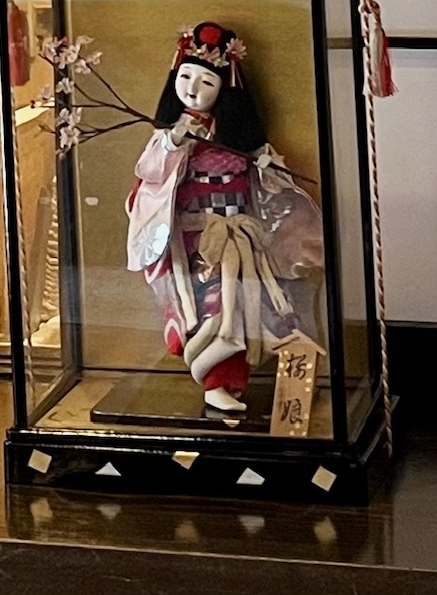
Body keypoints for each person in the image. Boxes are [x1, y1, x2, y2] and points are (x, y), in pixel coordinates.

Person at [125, 21, 323, 413]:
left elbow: (270, 184)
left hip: (241, 235)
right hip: (197, 241)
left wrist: (267, 167)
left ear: (224, 89)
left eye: (206, 82)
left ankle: (263, 376)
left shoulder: (237, 137)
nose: (192, 89)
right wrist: (173, 142)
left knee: (252, 304)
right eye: (185, 77)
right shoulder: (171, 137)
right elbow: (149, 175)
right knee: (212, 308)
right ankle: (216, 381)